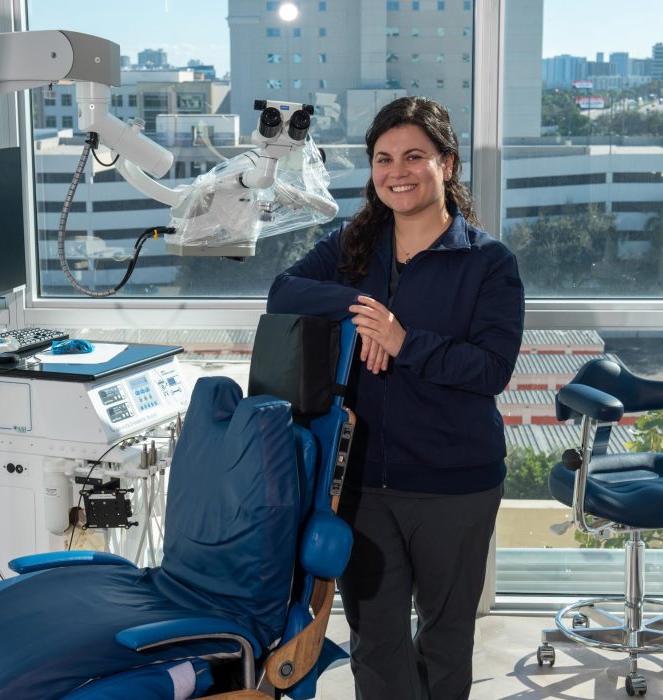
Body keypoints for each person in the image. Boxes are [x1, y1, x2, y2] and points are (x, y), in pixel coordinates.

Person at [267, 96, 525, 700]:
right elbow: (283, 293)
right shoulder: (352, 246)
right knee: (375, 643)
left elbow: (491, 370)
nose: (397, 171)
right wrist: (366, 314)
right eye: (384, 159)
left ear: (447, 164)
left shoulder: (489, 262)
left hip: (455, 485)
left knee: (445, 639)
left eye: (414, 156)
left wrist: (404, 341)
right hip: (364, 486)